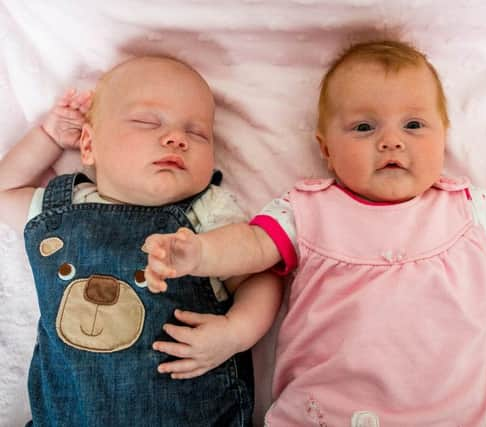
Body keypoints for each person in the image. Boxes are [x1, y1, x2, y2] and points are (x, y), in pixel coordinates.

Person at [143, 41, 486, 426]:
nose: (391, 140)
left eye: (414, 125)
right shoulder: (308, 209)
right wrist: (199, 253)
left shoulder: (467, 207)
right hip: (329, 413)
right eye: (364, 127)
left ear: (444, 137)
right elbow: (252, 244)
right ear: (326, 150)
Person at [0, 55, 281, 427]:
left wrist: (236, 333)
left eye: (197, 133)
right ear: (89, 145)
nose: (176, 138)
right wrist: (48, 137)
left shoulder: (208, 215)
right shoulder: (61, 209)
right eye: (148, 122)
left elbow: (259, 275)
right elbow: (5, 192)